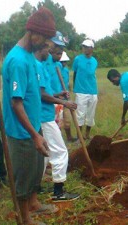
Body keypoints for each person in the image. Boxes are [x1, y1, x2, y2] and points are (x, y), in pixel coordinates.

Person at [2, 7, 58, 224]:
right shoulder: (18, 60)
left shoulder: (28, 57)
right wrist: (35, 135)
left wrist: (37, 130)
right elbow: (16, 103)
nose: (44, 42)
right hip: (22, 131)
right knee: (24, 175)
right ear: (33, 32)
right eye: (43, 37)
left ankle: (34, 204)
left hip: (34, 125)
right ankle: (25, 219)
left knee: (36, 168)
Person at [36, 35, 80, 202]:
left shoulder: (45, 65)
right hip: (44, 115)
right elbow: (40, 94)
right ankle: (58, 192)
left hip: (44, 113)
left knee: (45, 152)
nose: (56, 52)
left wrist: (58, 95)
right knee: (60, 151)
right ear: (46, 46)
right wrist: (64, 102)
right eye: (53, 48)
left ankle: (36, 186)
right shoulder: (40, 66)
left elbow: (45, 92)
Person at [73, 39, 98, 140]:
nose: (84, 49)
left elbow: (92, 75)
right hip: (81, 91)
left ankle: (87, 134)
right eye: (83, 47)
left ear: (92, 48)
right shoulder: (78, 59)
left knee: (91, 114)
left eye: (87, 47)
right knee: (80, 114)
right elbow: (75, 72)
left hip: (93, 90)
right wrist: (75, 86)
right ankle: (79, 136)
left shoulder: (94, 61)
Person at [60, 51, 77, 142]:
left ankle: (69, 137)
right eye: (62, 61)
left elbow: (66, 83)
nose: (64, 63)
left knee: (67, 119)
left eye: (65, 61)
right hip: (57, 98)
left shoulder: (66, 70)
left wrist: (68, 92)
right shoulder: (55, 69)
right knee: (58, 120)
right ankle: (59, 139)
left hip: (66, 97)